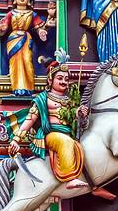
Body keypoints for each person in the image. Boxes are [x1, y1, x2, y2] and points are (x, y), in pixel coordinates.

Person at [7, 49, 89, 190]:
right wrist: (16, 139)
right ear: (50, 80)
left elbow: (77, 124)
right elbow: (30, 120)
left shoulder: (71, 100)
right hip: (50, 135)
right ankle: (70, 178)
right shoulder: (43, 99)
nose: (63, 81)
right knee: (65, 142)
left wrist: (81, 114)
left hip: (68, 133)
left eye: (66, 79)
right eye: (59, 78)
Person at [0, 0, 52, 96]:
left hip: (27, 40)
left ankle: (28, 88)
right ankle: (17, 88)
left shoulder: (32, 14)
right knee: (15, 63)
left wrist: (43, 30)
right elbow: (2, 28)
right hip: (13, 39)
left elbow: (39, 27)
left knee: (27, 61)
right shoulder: (11, 14)